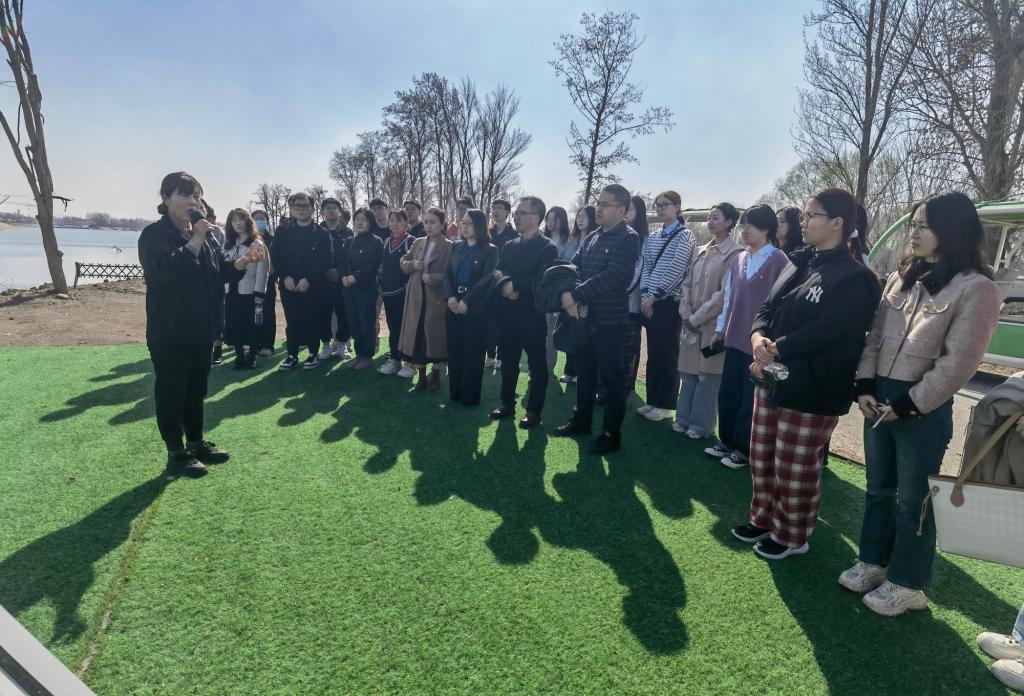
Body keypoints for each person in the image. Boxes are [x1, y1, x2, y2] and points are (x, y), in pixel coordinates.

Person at [840, 191, 1001, 615]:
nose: (913, 232)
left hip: (921, 409)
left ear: (952, 230)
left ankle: (908, 583)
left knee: (914, 499)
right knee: (878, 489)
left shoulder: (977, 288)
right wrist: (864, 385)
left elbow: (959, 363)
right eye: (912, 224)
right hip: (879, 399)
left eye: (923, 226)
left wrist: (909, 404)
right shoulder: (902, 277)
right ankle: (873, 561)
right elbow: (875, 337)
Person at [730, 188, 881, 560]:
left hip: (814, 385)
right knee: (762, 455)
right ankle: (763, 518)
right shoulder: (799, 261)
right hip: (772, 375)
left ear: (837, 223)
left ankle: (792, 534)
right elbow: (767, 307)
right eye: (803, 214)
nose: (803, 221)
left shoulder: (856, 277)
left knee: (794, 466)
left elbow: (828, 329)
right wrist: (757, 336)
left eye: (811, 215)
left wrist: (776, 347)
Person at [138, 172, 253, 477]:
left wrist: (240, 264)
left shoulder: (206, 234)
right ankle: (176, 453)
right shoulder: (154, 235)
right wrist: (196, 239)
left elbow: (217, 272)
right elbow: (164, 274)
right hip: (171, 331)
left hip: (203, 328)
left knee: (196, 390)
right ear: (166, 199)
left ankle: (196, 442)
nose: (193, 201)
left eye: (197, 195)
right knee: (172, 392)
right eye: (185, 194)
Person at [554, 184, 642, 453]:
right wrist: (567, 290)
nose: (598, 209)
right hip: (584, 319)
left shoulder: (629, 238)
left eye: (605, 204)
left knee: (612, 380)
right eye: (598, 203)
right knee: (585, 373)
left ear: (621, 210)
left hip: (609, 322)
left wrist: (574, 294)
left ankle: (610, 435)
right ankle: (581, 421)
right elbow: (574, 266)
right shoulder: (593, 236)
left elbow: (613, 277)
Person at [705, 205, 789, 466]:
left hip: (759, 345)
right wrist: (720, 329)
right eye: (743, 225)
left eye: (749, 225)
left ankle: (744, 449)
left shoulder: (779, 261)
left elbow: (782, 306)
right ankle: (727, 440)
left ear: (766, 228)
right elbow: (728, 298)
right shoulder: (739, 259)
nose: (744, 230)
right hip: (733, 338)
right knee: (728, 393)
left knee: (749, 398)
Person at [674, 201, 744, 438]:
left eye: (716, 218)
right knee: (688, 374)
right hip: (691, 324)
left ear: (729, 222)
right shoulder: (701, 250)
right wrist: (686, 314)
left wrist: (697, 318)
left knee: (708, 378)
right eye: (710, 217)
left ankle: (701, 426)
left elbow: (724, 294)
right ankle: (682, 419)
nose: (710, 221)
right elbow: (686, 284)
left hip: (713, 326)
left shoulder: (735, 255)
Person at [490, 196, 557, 428]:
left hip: (532, 316)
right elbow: (498, 272)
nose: (516, 217)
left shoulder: (547, 247)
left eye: (521, 213)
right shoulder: (510, 245)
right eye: (516, 213)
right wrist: (505, 287)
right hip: (509, 314)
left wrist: (514, 286)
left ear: (536, 218)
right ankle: (507, 403)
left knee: (537, 366)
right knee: (508, 361)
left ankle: (534, 411)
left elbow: (542, 280)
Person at [635, 191, 695, 421]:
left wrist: (654, 296)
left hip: (669, 302)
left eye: (664, 205)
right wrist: (645, 295)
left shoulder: (685, 236)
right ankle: (653, 400)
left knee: (668, 352)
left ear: (677, 207)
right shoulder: (654, 236)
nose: (660, 209)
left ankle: (666, 404)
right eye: (657, 205)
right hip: (650, 302)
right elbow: (646, 266)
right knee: (654, 352)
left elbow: (677, 269)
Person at [445, 209, 499, 405]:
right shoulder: (456, 246)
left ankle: (469, 397)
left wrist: (467, 300)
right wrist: (450, 297)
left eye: (469, 223)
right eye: (463, 222)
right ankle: (455, 393)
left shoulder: (490, 250)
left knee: (473, 352)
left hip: (475, 306)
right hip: (453, 304)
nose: (464, 226)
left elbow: (487, 279)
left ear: (480, 225)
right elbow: (446, 274)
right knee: (455, 350)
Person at [274, 192, 333, 370]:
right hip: (289, 284)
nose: (301, 209)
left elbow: (325, 260)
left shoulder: (322, 233)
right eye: (297, 206)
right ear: (292, 209)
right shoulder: (282, 230)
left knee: (311, 319)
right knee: (292, 321)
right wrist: (285, 276)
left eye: (305, 206)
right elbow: (276, 255)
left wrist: (308, 279)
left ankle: (313, 354)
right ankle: (292, 355)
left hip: (313, 286)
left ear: (313, 209)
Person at [399, 207, 454, 391]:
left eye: (433, 222)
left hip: (435, 300)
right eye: (426, 222)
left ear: (442, 224)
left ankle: (435, 376)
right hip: (416, 298)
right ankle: (421, 377)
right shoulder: (418, 242)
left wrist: (433, 278)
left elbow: (451, 274)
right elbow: (403, 261)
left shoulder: (450, 246)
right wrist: (412, 264)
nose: (428, 226)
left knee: (435, 339)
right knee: (418, 339)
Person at [222, 208, 269, 369]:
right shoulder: (228, 245)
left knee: (252, 326)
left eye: (241, 219)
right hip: (231, 292)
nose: (238, 223)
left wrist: (259, 292)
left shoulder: (256, 243)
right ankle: (239, 356)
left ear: (248, 221)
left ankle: (252, 356)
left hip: (250, 292)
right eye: (234, 220)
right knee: (234, 324)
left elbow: (262, 271)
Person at [556, 205, 596, 384]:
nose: (580, 219)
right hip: (570, 290)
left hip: (587, 292)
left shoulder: (596, 239)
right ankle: (569, 370)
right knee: (570, 330)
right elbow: (566, 264)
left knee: (583, 334)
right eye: (578, 216)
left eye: (584, 216)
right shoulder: (571, 241)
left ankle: (581, 372)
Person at [341, 208, 384, 370]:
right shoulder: (349, 241)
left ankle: (367, 355)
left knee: (366, 322)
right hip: (349, 288)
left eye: (363, 219)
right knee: (354, 322)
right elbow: (343, 261)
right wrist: (345, 276)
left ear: (370, 222)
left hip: (367, 288)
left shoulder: (376, 241)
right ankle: (359, 354)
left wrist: (355, 277)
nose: (359, 222)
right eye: (357, 219)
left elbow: (373, 265)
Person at [378, 209, 416, 377]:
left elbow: (414, 267)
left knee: (406, 328)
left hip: (404, 293)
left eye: (399, 220)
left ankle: (410, 363)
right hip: (388, 293)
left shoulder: (411, 241)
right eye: (392, 220)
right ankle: (395, 360)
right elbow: (382, 266)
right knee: (393, 328)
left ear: (406, 223)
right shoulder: (386, 242)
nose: (395, 224)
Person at [542, 206, 577, 374]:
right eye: (548, 218)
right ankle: (538, 363)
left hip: (554, 293)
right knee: (537, 330)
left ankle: (548, 366)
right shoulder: (541, 239)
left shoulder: (568, 242)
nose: (550, 222)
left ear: (562, 220)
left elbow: (566, 266)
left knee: (550, 331)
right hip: (539, 290)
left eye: (554, 218)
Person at [623, 196, 651, 394]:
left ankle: (625, 387)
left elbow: (638, 271)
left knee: (628, 349)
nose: (625, 213)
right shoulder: (617, 236)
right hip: (612, 303)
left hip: (631, 305)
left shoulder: (644, 241)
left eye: (630, 209)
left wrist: (618, 289)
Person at [485, 198, 518, 368]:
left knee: (504, 319)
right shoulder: (487, 232)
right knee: (489, 319)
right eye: (493, 208)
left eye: (499, 208)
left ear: (507, 212)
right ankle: (490, 355)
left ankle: (501, 356)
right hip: (488, 281)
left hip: (505, 282)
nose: (495, 211)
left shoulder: (514, 234)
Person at [320, 198, 353, 361]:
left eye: (335, 208)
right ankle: (326, 345)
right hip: (321, 281)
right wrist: (326, 272)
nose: (331, 211)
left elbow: (350, 257)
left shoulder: (348, 233)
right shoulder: (317, 231)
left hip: (342, 280)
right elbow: (312, 258)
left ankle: (342, 344)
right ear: (322, 212)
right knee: (323, 313)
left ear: (340, 212)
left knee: (343, 312)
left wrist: (340, 273)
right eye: (328, 208)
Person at [251, 209, 278, 357]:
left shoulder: (273, 240)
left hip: (268, 282)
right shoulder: (249, 239)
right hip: (250, 283)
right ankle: (255, 344)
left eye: (262, 218)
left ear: (267, 221)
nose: (259, 221)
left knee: (267, 313)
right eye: (256, 219)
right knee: (253, 314)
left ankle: (267, 345)